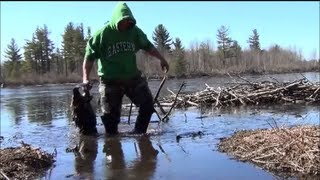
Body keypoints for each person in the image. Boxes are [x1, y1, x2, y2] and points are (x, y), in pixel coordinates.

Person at [82, 2, 169, 135]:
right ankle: (112, 147)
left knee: (147, 105)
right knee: (110, 120)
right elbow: (89, 58)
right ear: (116, 20)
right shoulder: (102, 35)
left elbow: (148, 46)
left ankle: (139, 134)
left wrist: (162, 59)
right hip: (109, 80)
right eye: (123, 21)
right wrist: (85, 79)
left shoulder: (134, 32)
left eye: (129, 22)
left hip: (132, 78)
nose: (126, 25)